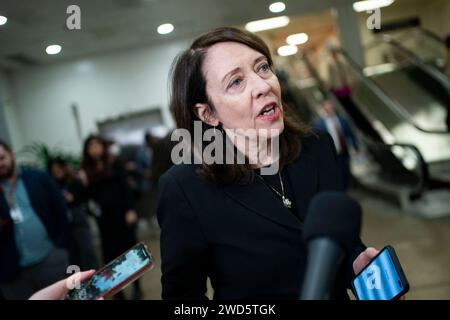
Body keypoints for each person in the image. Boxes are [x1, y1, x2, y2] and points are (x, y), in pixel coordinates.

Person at [157, 27, 378, 300]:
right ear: (208, 114)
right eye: (236, 82)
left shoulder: (317, 146)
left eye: (262, 67)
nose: (263, 86)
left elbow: (337, 241)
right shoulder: (184, 188)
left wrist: (357, 264)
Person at [0, 140, 70, 299]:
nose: (0, 164)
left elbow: (60, 210)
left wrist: (61, 246)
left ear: (10, 154)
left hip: (50, 257)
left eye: (2, 158)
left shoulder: (38, 177)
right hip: (13, 271)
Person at [80, 135, 142, 300]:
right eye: (91, 146)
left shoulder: (115, 162)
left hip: (122, 214)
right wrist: (84, 183)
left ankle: (137, 288)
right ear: (87, 150)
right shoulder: (86, 170)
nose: (95, 148)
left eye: (97, 144)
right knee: (110, 258)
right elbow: (87, 199)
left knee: (130, 253)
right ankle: (118, 292)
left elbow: (125, 187)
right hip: (105, 221)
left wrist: (130, 209)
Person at [47, 157, 99, 270]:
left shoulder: (73, 181)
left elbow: (85, 197)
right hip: (65, 226)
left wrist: (73, 198)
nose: (57, 172)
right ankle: (79, 283)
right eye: (54, 170)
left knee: (87, 250)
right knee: (74, 257)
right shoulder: (51, 186)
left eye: (59, 169)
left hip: (78, 219)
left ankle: (95, 275)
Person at [313, 99, 359, 190]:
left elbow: (350, 134)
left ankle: (345, 188)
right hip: (331, 154)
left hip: (344, 152)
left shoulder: (342, 120)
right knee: (336, 174)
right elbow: (318, 142)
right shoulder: (319, 124)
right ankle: (341, 191)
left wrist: (355, 147)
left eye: (330, 106)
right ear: (324, 109)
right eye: (326, 107)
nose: (329, 108)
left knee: (346, 172)